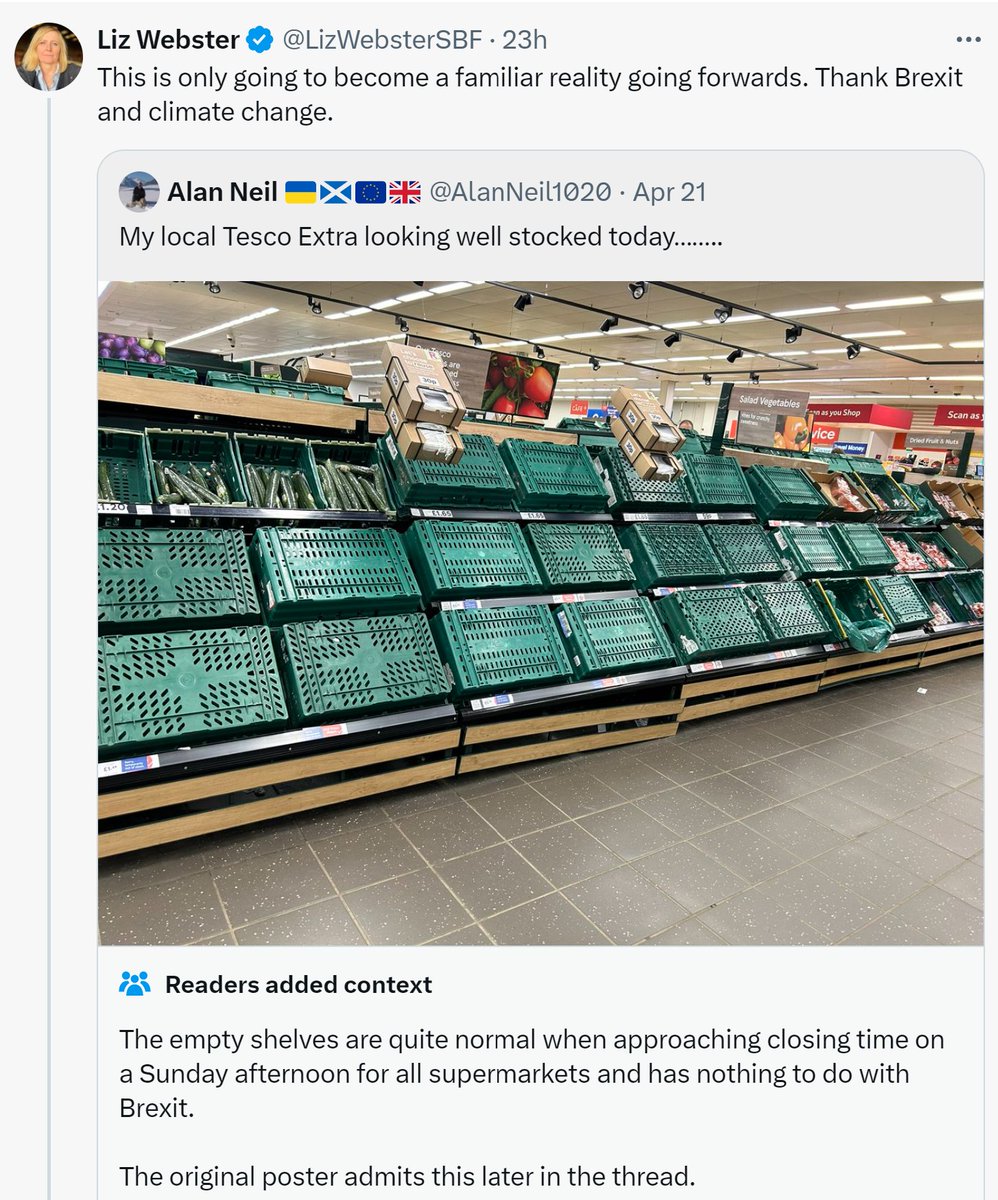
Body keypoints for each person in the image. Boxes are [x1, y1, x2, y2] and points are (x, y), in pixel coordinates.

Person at [17, 26, 80, 91]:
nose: (48, 49)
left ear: (61, 49)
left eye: (54, 44)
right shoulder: (21, 74)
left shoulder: (76, 72)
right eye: (42, 43)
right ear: (35, 48)